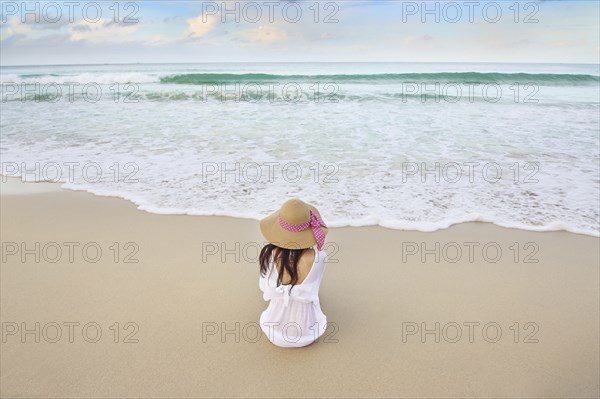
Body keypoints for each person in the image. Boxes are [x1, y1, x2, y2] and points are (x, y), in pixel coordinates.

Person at [258, 198, 329, 348]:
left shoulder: (271, 254)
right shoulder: (319, 257)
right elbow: (314, 289)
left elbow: (265, 287)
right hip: (305, 333)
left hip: (273, 329)